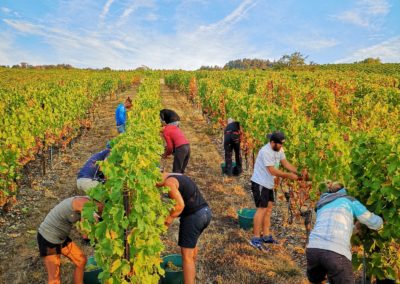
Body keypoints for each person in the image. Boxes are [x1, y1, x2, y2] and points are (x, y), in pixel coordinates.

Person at [306, 181, 383, 284]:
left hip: (313, 249)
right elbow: (371, 220)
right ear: (344, 191)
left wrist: (354, 228)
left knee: (318, 279)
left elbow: (332, 228)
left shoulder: (322, 203)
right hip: (336, 253)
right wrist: (382, 223)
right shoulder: (349, 200)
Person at [157, 172, 212, 284]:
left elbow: (180, 205)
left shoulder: (169, 183)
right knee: (191, 250)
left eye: (156, 185)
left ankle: (189, 280)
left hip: (194, 217)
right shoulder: (175, 175)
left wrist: (167, 221)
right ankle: (190, 275)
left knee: (186, 256)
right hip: (205, 212)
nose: (158, 187)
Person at [249, 131, 300, 249]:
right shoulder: (265, 151)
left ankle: (266, 236)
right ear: (272, 142)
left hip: (268, 184)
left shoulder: (279, 150)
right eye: (280, 144)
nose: (281, 146)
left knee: (269, 208)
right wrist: (289, 175)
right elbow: (272, 170)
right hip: (260, 183)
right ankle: (255, 238)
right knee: (262, 209)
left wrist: (298, 172)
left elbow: (285, 163)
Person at [37, 196, 103, 284]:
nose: (102, 212)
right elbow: (85, 233)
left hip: (61, 237)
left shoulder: (88, 203)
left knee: (81, 260)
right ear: (99, 203)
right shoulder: (84, 204)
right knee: (54, 279)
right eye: (103, 208)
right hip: (48, 237)